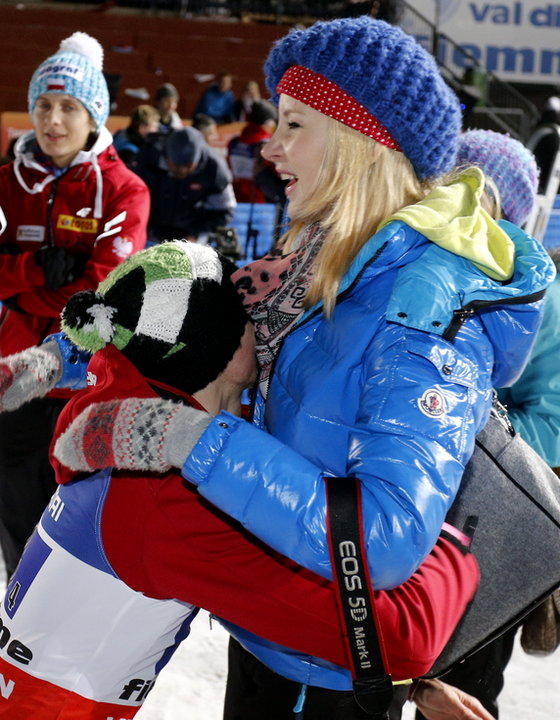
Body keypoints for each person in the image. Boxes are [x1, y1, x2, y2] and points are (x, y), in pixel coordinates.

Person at [7, 17, 556, 719]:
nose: (270, 147)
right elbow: (178, 311)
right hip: (277, 640)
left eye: (295, 124)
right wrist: (63, 362)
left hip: (327, 682)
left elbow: (384, 535)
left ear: (364, 142)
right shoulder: (320, 262)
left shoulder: (422, 306)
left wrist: (183, 438)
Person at [0, 240, 482, 719]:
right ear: (227, 351)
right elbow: (399, 639)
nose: (271, 333)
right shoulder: (169, 501)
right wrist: (453, 538)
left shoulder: (117, 413)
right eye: (252, 319)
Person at [408, 129, 560, 720]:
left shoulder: (537, 295)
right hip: (407, 506)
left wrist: (456, 425)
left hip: (483, 529)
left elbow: (549, 422)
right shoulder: (419, 264)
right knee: (383, 671)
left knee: (466, 684)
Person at [0, 31, 149, 580]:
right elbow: (61, 283)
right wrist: (37, 268)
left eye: (69, 106)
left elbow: (100, 291)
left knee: (76, 537)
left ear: (95, 117)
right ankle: (22, 636)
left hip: (85, 384)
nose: (53, 120)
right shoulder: (5, 183)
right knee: (16, 527)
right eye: (43, 105)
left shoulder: (125, 189)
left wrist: (14, 279)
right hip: (15, 382)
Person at [135, 125, 236, 244]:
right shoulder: (148, 159)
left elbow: (223, 210)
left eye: (189, 165)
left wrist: (198, 234)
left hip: (190, 236)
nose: (182, 170)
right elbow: (132, 199)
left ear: (198, 161)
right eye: (176, 165)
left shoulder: (215, 169)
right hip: (149, 232)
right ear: (166, 157)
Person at [228, 99, 278, 203]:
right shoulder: (268, 145)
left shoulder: (234, 142)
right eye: (273, 121)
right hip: (262, 202)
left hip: (236, 198)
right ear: (266, 122)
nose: (274, 125)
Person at [112, 103, 160, 168]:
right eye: (154, 127)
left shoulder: (122, 132)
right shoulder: (130, 153)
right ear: (142, 128)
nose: (157, 131)